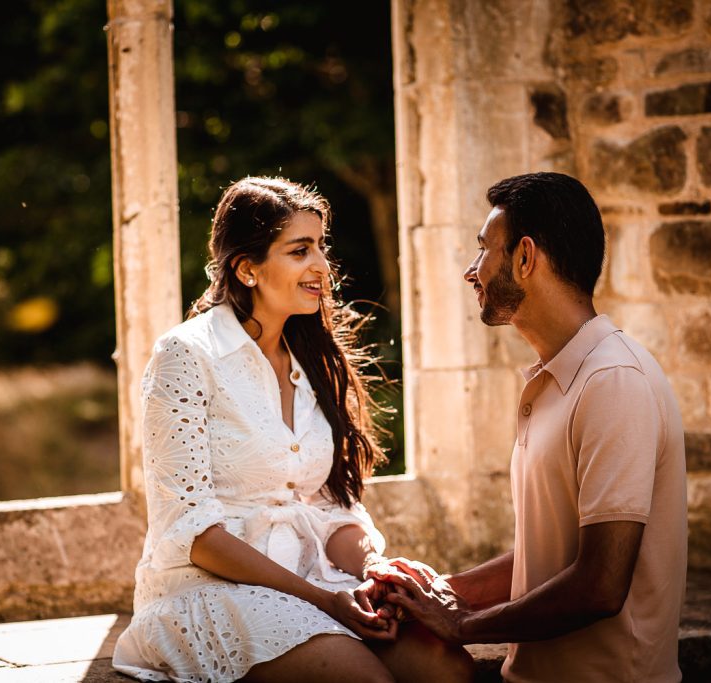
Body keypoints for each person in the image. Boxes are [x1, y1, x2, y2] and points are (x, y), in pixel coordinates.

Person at [112, 176, 474, 683]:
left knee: (447, 669)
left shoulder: (312, 359)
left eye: (321, 247)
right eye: (300, 250)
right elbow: (194, 534)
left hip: (315, 579)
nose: (323, 267)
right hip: (211, 590)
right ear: (247, 269)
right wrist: (325, 600)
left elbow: (329, 507)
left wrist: (375, 570)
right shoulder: (186, 356)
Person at [365, 172, 687, 682]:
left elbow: (600, 584)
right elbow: (554, 555)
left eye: (483, 251)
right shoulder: (559, 378)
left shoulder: (613, 380)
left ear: (525, 258)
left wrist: (463, 624)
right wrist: (439, 593)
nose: (472, 272)